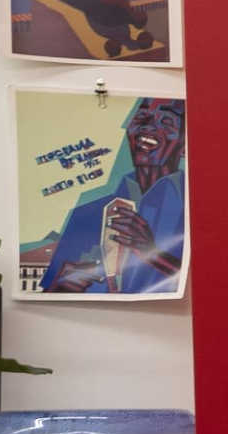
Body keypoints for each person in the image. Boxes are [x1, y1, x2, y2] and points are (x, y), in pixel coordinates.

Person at [41, 98, 187, 294]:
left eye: (167, 121)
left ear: (185, 146)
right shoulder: (85, 213)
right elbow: (51, 294)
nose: (148, 126)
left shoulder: (195, 210)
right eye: (141, 117)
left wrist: (153, 255)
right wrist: (60, 287)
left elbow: (214, 281)